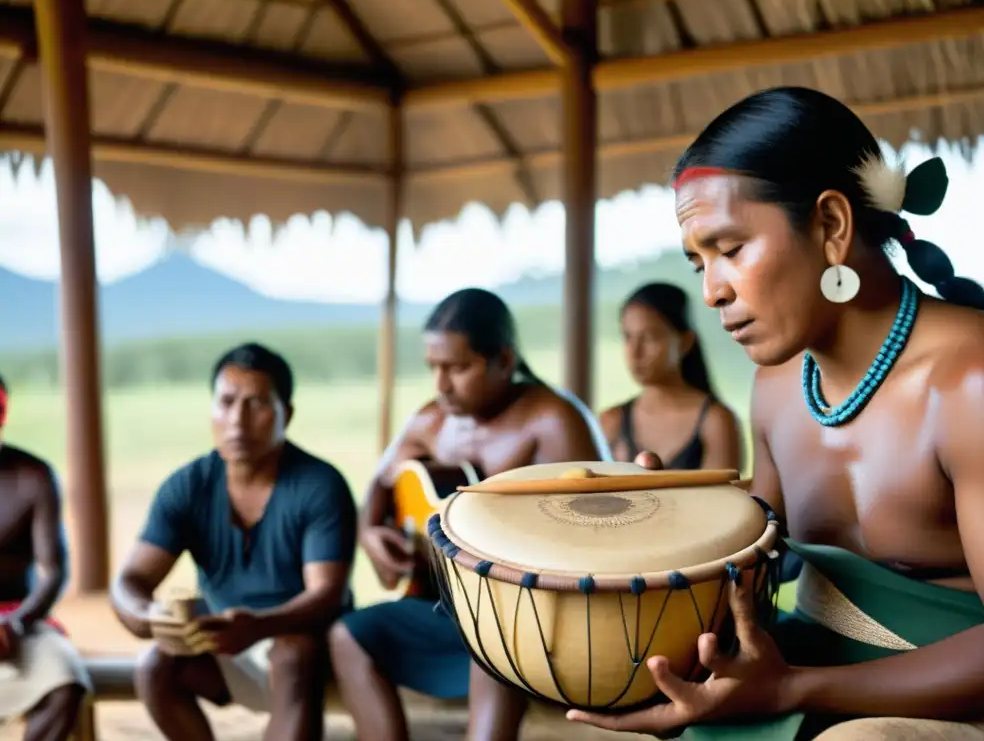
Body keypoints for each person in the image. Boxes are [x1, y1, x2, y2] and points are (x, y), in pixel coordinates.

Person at [566, 87, 984, 740]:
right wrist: (662, 519)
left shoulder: (980, 379)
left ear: (831, 225)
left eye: (731, 248)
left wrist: (794, 688)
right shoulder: (778, 386)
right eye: (698, 262)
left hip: (973, 707)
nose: (712, 290)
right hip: (804, 682)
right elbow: (759, 570)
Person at [329, 287, 612, 741]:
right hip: (445, 611)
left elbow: (602, 533)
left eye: (457, 368)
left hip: (530, 621)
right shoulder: (432, 421)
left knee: (495, 637)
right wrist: (369, 534)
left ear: (503, 358)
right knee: (349, 636)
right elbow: (380, 485)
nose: (441, 385)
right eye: (434, 368)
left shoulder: (553, 420)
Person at [110, 343, 357, 741]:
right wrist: (146, 616)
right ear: (211, 409)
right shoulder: (187, 487)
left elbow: (327, 594)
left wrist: (258, 626)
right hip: (227, 645)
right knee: (155, 665)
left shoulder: (320, 485)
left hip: (307, 655)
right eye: (226, 402)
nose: (237, 420)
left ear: (286, 415)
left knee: (294, 653)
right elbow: (129, 580)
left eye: (257, 403)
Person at [0, 372, 90, 741]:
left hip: (20, 619)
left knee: (66, 680)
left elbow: (53, 571)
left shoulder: (32, 476)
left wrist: (16, 624)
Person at [601, 282, 743, 470]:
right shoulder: (611, 422)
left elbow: (724, 498)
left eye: (650, 337)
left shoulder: (715, 422)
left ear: (685, 342)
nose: (635, 352)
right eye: (628, 337)